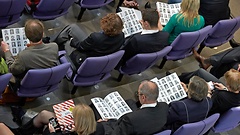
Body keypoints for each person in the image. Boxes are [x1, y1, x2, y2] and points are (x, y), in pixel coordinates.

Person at [96, 80, 169, 135]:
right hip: (146, 126)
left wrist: (104, 123)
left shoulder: (131, 120)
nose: (138, 95)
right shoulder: (164, 106)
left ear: (143, 97)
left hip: (125, 127)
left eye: (138, 94)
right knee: (130, 102)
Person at [53, 13, 125, 68]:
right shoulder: (121, 36)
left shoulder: (96, 37)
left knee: (65, 40)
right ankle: (51, 41)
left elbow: (80, 47)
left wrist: (72, 40)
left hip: (83, 58)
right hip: (98, 54)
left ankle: (51, 46)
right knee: (72, 27)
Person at [2, 104, 104, 135]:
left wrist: (52, 132)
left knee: (1, 126)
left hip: (55, 133)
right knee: (45, 114)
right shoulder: (99, 128)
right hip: (64, 131)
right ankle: (22, 131)